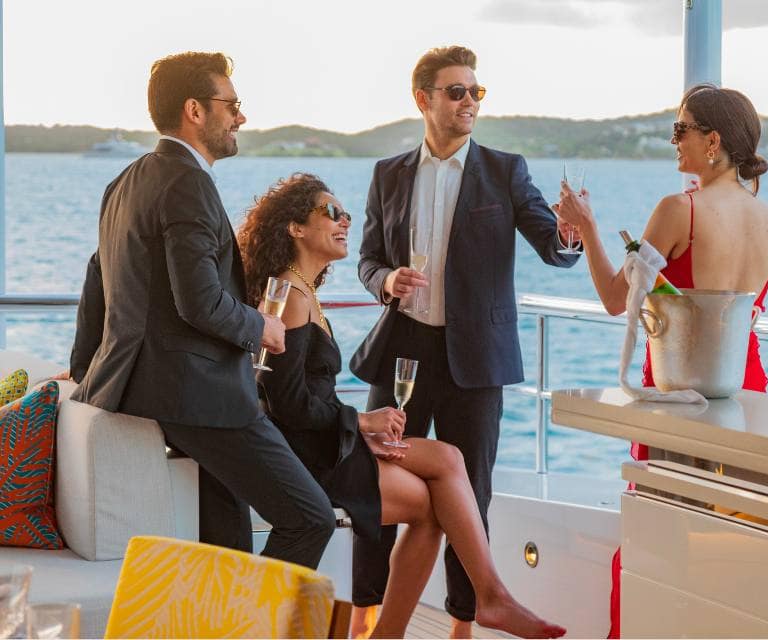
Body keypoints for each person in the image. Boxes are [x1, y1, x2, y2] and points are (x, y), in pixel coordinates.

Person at [239, 172, 566, 639]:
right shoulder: (289, 298)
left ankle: (476, 602)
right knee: (435, 500)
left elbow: (302, 398)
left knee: (446, 468)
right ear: (295, 227)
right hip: (311, 454)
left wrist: (361, 429)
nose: (345, 220)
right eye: (331, 212)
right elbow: (287, 405)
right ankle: (479, 602)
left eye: (346, 212)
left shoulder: (300, 291)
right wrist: (362, 422)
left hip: (327, 437)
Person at [68, 51, 336, 568]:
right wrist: (263, 325)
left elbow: (96, 284)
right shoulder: (188, 181)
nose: (241, 117)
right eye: (231, 104)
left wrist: (87, 372)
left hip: (137, 386)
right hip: (197, 395)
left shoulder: (124, 181)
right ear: (195, 110)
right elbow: (200, 302)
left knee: (226, 536)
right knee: (310, 518)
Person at [348, 44, 581, 637]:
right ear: (423, 99)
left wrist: (573, 236)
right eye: (457, 91)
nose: (470, 101)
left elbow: (552, 247)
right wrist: (386, 281)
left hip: (476, 360)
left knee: (470, 496)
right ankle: (364, 618)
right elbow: (368, 260)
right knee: (373, 492)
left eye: (477, 91)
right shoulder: (388, 173)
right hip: (403, 353)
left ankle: (462, 624)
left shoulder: (505, 170)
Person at [554, 84, 768, 638]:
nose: (672, 139)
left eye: (680, 129)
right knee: (726, 542)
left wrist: (586, 227)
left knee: (657, 537)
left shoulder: (677, 210)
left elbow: (617, 300)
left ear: (712, 141)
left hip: (678, 399)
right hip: (746, 393)